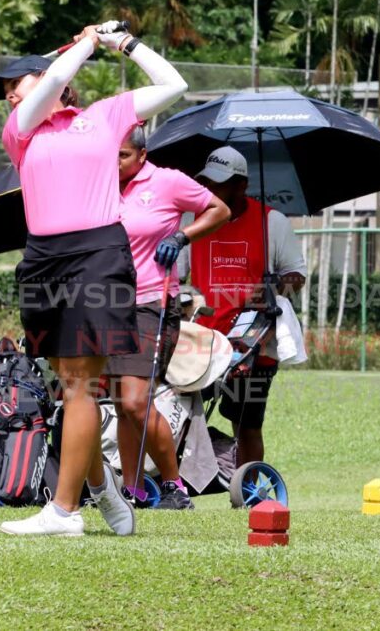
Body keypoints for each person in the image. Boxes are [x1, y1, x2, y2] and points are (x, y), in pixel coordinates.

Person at [0, 21, 188, 537]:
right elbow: (46, 88)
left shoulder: (104, 116)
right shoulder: (21, 130)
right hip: (43, 258)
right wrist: (84, 44)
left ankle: (64, 512)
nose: (10, 96)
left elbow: (173, 85)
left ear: (48, 76)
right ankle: (106, 492)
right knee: (67, 385)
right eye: (4, 92)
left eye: (16, 84)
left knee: (80, 383)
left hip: (98, 251)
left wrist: (123, 43)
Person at [107, 127, 230, 510]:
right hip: (109, 305)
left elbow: (219, 210)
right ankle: (133, 490)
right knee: (121, 404)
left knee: (135, 401)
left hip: (154, 304)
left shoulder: (167, 182)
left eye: (124, 155)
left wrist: (182, 237)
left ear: (142, 155)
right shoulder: (103, 185)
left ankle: (175, 487)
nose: (116, 162)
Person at [183, 146, 306, 465]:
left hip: (253, 343)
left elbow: (298, 275)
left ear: (242, 185)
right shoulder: (190, 220)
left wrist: (273, 285)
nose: (210, 189)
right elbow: (175, 276)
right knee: (181, 415)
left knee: (248, 425)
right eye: (205, 182)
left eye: (219, 183)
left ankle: (248, 490)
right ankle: (177, 484)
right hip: (201, 342)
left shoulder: (272, 222)